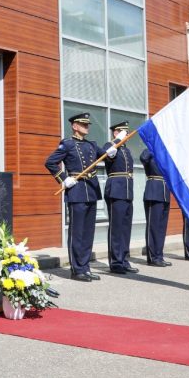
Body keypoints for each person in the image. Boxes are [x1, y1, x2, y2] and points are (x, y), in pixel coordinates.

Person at [45, 112, 116, 282]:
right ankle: (77, 270)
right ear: (74, 126)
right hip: (76, 190)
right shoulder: (67, 144)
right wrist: (64, 179)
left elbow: (105, 153)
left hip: (91, 190)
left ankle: (85, 267)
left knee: (88, 232)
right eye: (83, 125)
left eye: (88, 125)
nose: (87, 127)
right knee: (77, 232)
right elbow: (49, 162)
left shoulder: (92, 145)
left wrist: (113, 148)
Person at [103, 121, 138, 275]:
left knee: (125, 228)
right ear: (116, 133)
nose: (127, 135)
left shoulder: (126, 150)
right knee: (116, 228)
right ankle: (116, 262)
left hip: (127, 190)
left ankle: (124, 259)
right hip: (116, 190)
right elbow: (107, 152)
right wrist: (117, 140)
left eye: (127, 132)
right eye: (123, 132)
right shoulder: (110, 146)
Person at [140, 149, 172, 267]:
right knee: (153, 227)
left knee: (161, 228)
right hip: (153, 191)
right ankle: (152, 257)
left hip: (165, 193)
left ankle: (159, 255)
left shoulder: (164, 155)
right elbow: (143, 158)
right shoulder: (149, 152)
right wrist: (153, 145)